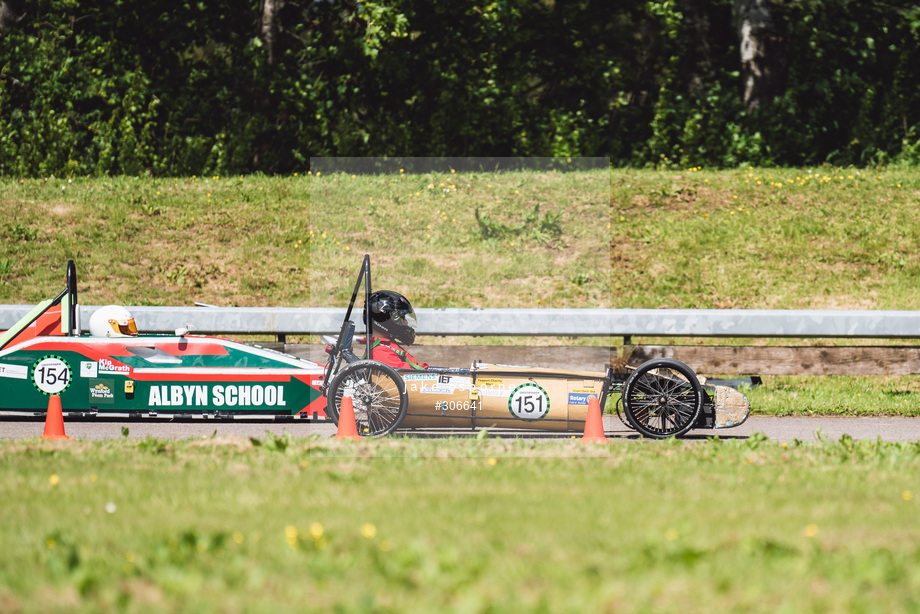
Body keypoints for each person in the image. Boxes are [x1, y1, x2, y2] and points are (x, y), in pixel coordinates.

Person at [360, 290, 428, 370]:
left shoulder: (384, 346)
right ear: (386, 319)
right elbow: (409, 375)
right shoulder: (382, 352)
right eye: (401, 318)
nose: (405, 323)